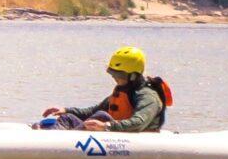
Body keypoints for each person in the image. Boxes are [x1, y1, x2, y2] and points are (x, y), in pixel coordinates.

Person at [40, 45, 171, 133]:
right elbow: (93, 110)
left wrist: (106, 126)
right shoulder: (123, 90)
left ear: (133, 76)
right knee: (68, 117)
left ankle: (56, 141)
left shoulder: (147, 96)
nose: (115, 78)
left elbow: (139, 123)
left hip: (136, 139)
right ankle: (48, 135)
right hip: (114, 134)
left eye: (119, 75)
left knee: (101, 116)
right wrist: (65, 110)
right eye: (112, 73)